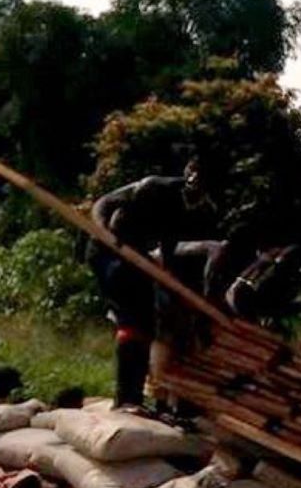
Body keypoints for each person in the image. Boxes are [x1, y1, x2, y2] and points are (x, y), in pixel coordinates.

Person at [88, 158, 219, 406]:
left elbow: (168, 246)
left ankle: (131, 397)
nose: (199, 188)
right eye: (196, 178)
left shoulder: (191, 211)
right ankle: (126, 398)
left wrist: (169, 279)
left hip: (137, 258)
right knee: (133, 320)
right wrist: (104, 232)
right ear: (188, 174)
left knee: (147, 325)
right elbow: (103, 203)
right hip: (109, 251)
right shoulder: (155, 187)